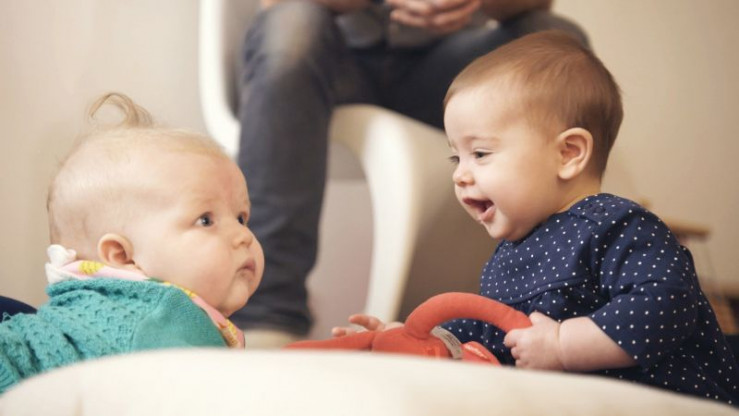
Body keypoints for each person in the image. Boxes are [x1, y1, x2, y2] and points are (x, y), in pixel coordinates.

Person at [333, 31, 739, 405]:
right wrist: (412, 337)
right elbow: (487, 332)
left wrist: (563, 344)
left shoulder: (616, 225)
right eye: (457, 158)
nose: (460, 175)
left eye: (480, 154)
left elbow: (667, 302)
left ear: (568, 154)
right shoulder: (509, 254)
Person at [236, 0, 588, 346]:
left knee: (556, 41)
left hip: (446, 67)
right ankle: (267, 310)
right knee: (293, 23)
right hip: (333, 57)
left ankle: (555, 302)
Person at [0, 93, 265, 393]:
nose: (244, 235)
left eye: (241, 218)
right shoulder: (162, 319)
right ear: (122, 255)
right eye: (205, 220)